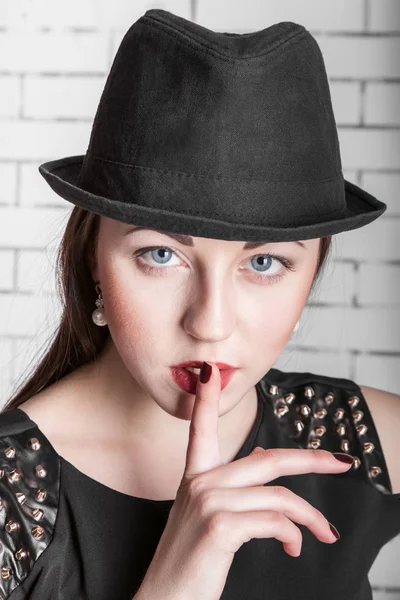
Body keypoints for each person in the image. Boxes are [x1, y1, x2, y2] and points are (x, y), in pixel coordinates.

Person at [0, 8, 399, 600]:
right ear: (93, 260)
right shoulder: (11, 493)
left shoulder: (362, 441)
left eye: (264, 263)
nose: (210, 324)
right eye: (161, 255)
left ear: (312, 271)